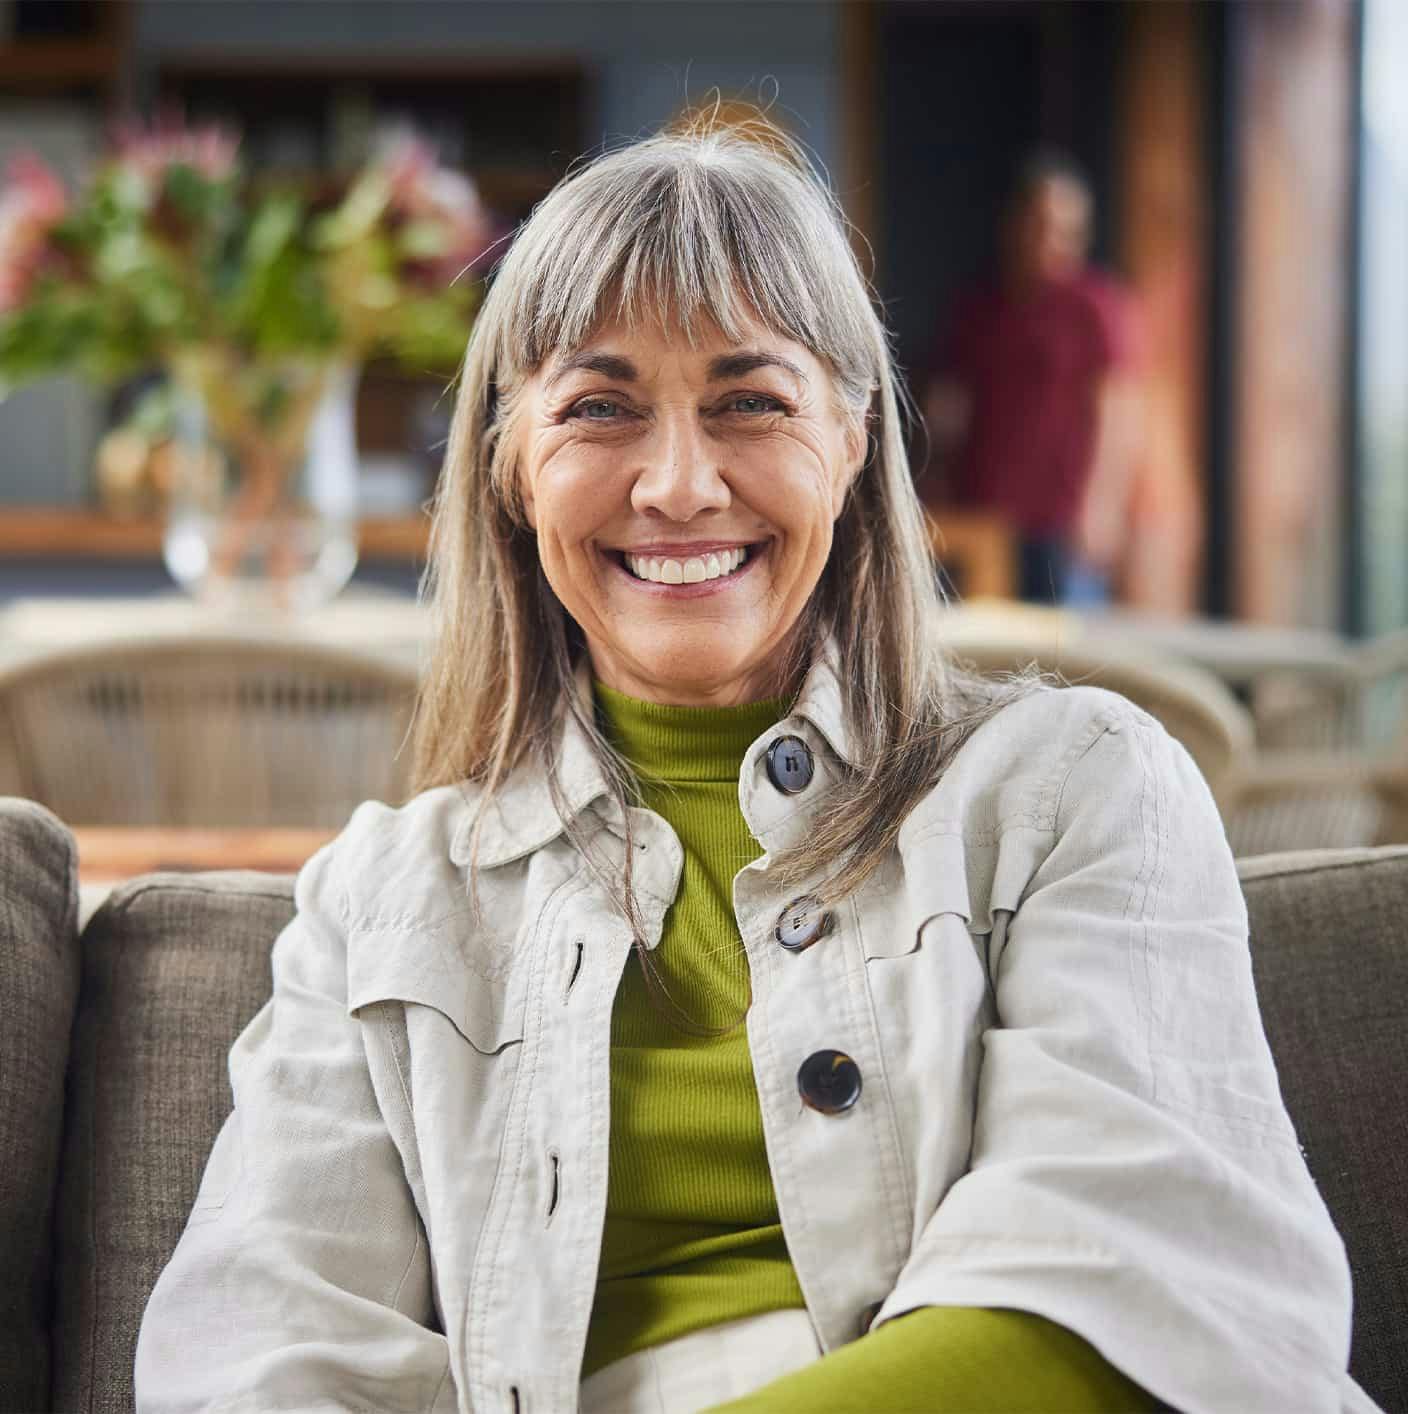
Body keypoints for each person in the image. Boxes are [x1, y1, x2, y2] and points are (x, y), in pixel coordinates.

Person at [134, 115, 1374, 1414]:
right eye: (601, 407)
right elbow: (254, 1360)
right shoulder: (374, 905)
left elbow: (1129, 1293)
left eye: (751, 403)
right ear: (510, 465)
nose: (678, 484)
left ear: (850, 440)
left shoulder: (1076, 789)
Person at [923, 151, 1145, 607]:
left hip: (1062, 520)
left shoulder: (1096, 306)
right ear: (1015, 223)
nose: (1055, 241)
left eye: (1069, 230)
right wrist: (935, 484)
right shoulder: (979, 308)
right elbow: (950, 405)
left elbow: (1119, 412)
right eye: (1043, 224)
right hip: (984, 517)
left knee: (1067, 657)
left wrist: (1101, 507)